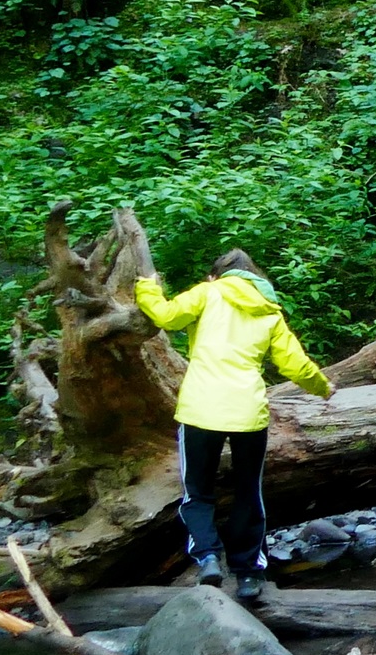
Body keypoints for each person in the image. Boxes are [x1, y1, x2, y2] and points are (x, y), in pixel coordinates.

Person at [135, 250, 334, 601]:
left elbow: (166, 316)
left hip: (200, 409)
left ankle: (208, 557)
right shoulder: (268, 310)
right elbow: (294, 364)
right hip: (247, 412)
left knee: (197, 491)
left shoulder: (207, 292)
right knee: (248, 493)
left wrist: (146, 287)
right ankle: (247, 575)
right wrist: (322, 387)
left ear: (217, 275)